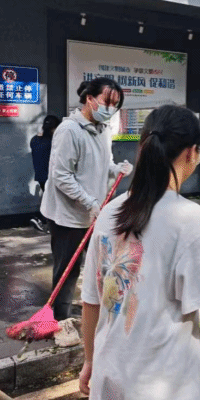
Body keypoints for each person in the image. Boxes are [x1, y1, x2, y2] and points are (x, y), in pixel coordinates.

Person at [78, 104, 200, 400]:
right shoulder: (192, 220)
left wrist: (89, 360)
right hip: (162, 389)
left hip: (109, 378)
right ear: (191, 153)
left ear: (143, 147)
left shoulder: (110, 212)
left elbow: (91, 301)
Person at [40, 77, 134, 322]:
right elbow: (61, 176)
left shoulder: (103, 130)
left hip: (94, 212)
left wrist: (116, 169)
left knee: (101, 264)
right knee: (67, 270)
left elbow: (103, 163)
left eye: (115, 105)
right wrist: (89, 202)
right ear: (89, 99)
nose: (110, 109)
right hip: (67, 215)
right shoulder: (69, 130)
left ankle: (97, 312)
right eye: (107, 102)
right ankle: (59, 321)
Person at [29, 115, 61, 232]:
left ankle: (43, 221)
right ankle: (43, 221)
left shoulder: (34, 140)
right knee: (53, 201)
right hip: (51, 176)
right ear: (54, 128)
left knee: (48, 199)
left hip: (40, 176)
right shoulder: (53, 142)